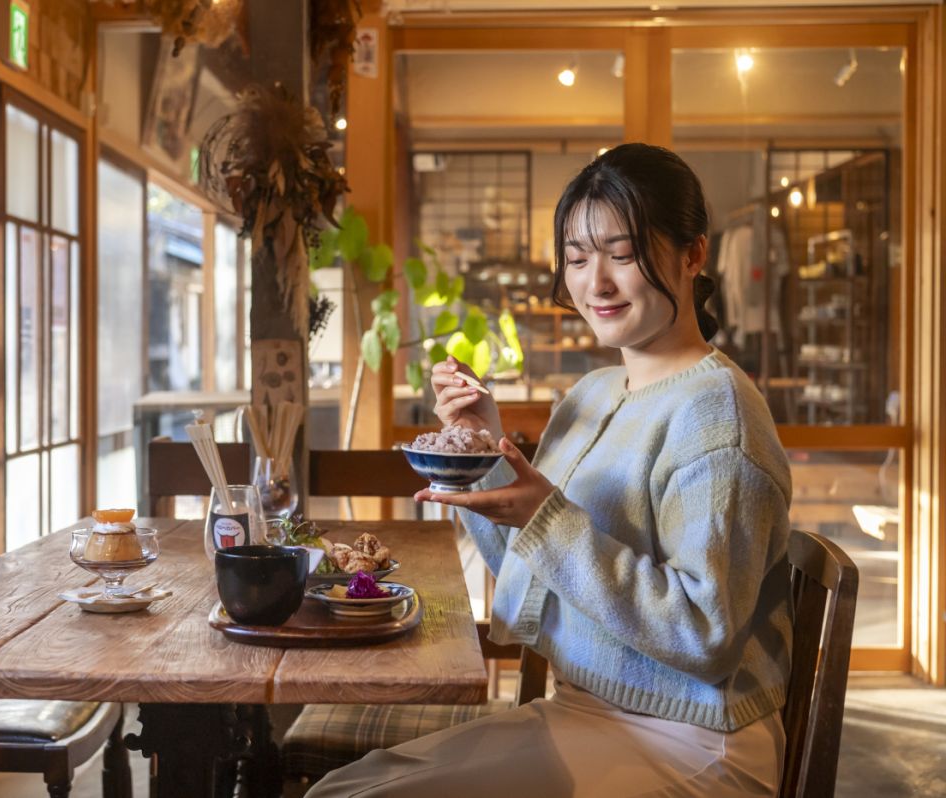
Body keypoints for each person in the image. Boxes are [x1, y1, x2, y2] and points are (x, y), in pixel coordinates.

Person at [307, 143, 793, 797]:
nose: (596, 284)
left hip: (694, 742)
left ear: (693, 255)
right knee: (342, 789)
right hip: (590, 711)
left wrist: (548, 519)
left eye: (622, 255)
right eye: (576, 257)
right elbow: (532, 559)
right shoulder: (593, 395)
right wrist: (481, 444)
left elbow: (703, 634)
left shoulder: (717, 417)